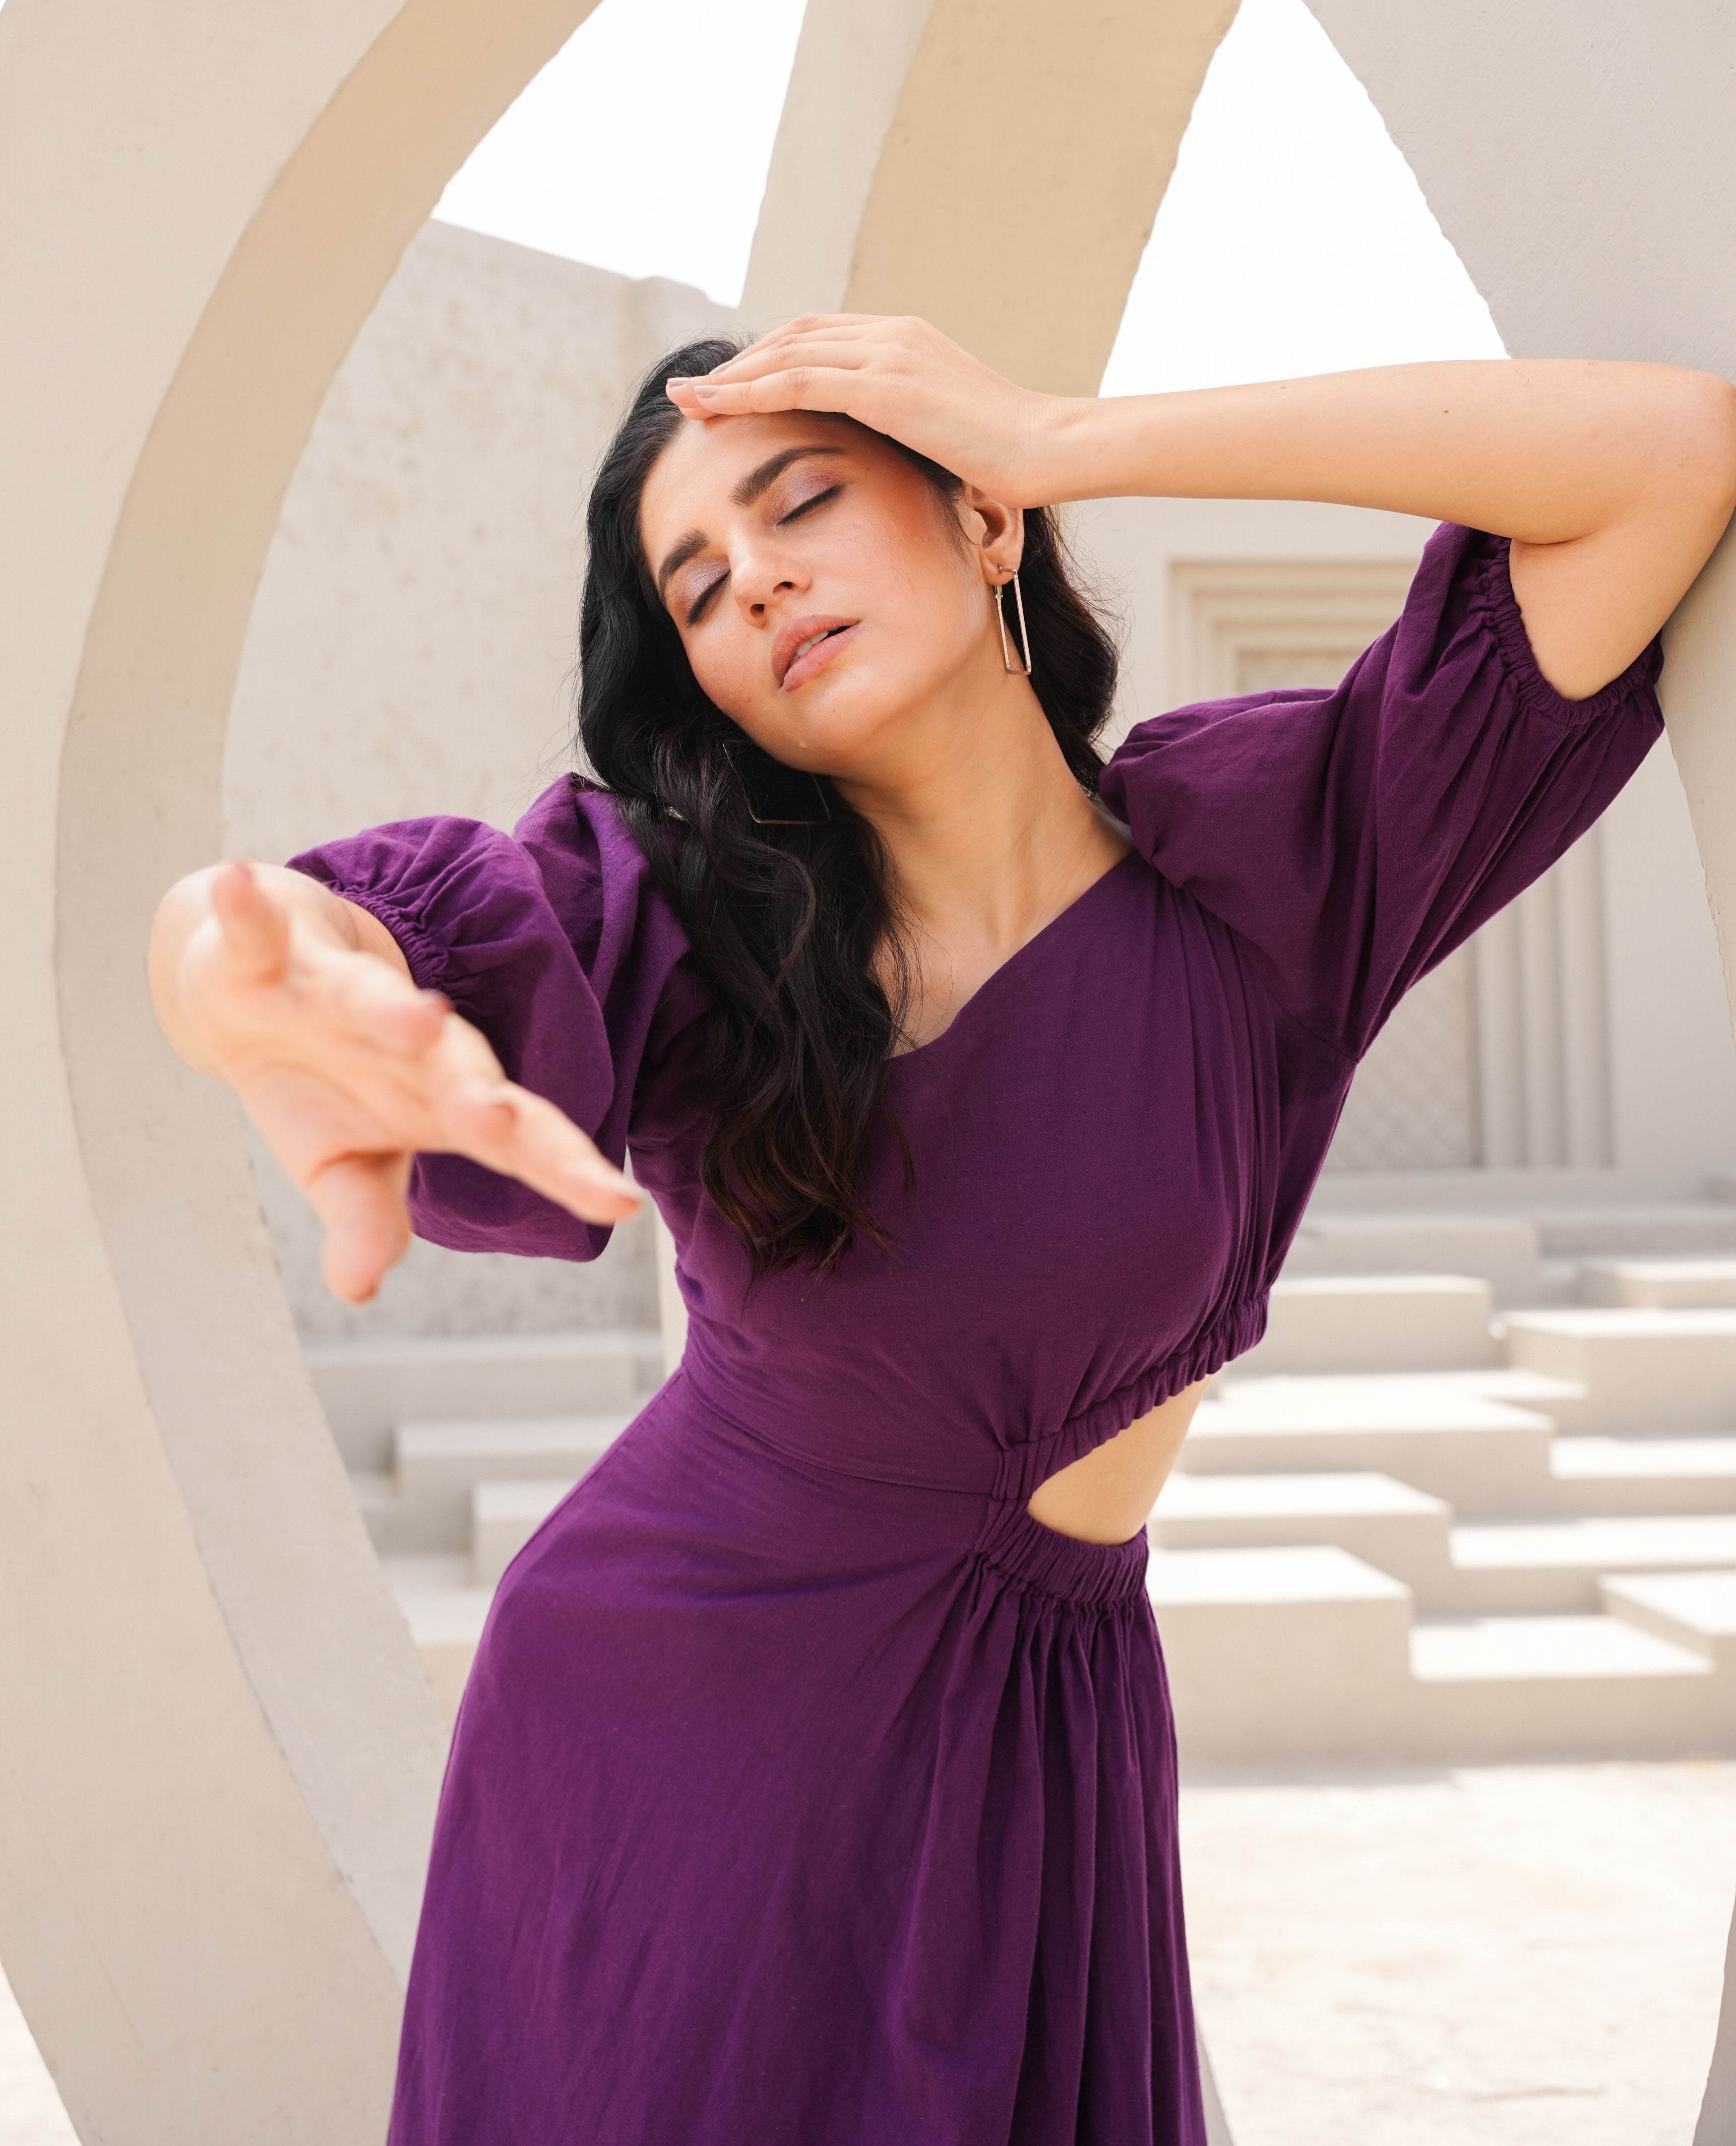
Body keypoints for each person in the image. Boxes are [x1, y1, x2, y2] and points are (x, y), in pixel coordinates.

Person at [150, 315, 1736, 2145]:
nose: (754, 579)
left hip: (1042, 1743)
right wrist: (241, 971)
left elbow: (1666, 457)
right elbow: (331, 931)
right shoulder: (695, 935)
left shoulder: (1269, 876)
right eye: (697, 584)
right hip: (673, 1741)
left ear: (985, 524)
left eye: (801, 498)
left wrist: (1062, 430)